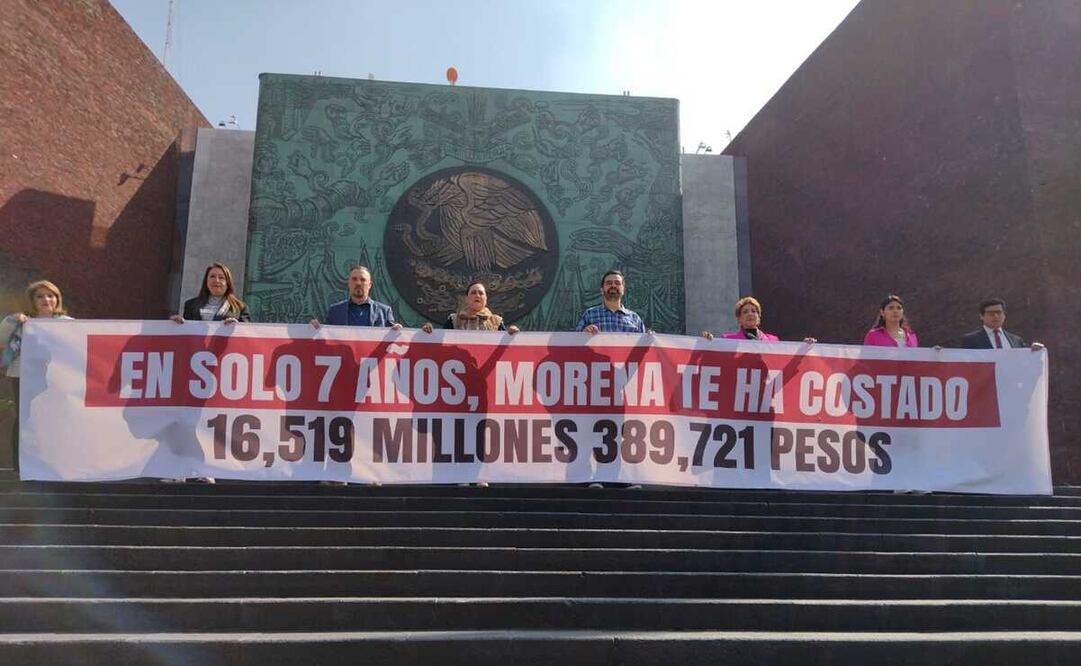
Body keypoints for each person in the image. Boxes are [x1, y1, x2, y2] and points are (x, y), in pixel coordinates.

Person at [0, 280, 73, 478]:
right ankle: (19, 466)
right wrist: (11, 320)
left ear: (57, 299)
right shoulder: (23, 322)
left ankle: (52, 463)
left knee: (53, 419)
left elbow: (82, 343)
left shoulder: (68, 324)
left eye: (50, 295)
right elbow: (1, 338)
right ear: (32, 301)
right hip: (23, 377)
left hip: (55, 380)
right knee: (25, 419)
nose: (46, 299)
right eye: (39, 296)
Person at [310, 265, 402, 330]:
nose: (358, 283)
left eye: (363, 280)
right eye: (354, 279)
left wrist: (398, 332)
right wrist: (314, 329)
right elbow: (325, 338)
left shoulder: (384, 312)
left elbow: (391, 344)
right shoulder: (335, 311)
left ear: (369, 285)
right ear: (349, 283)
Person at [700, 296, 815, 343]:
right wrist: (707, 343)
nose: (750, 314)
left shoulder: (773, 340)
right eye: (745, 312)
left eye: (754, 311)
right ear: (739, 319)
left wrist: (804, 349)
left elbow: (783, 367)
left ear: (759, 317)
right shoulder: (728, 340)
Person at [421, 282, 521, 334]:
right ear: (467, 299)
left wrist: (512, 334)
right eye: (473, 293)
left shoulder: (496, 322)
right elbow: (440, 343)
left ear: (485, 299)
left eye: (481, 293)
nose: (477, 295)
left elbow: (505, 349)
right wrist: (429, 332)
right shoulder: (454, 320)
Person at [171, 263, 250, 324]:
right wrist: (176, 324)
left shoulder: (240, 308)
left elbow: (246, 337)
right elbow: (186, 334)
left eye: (221, 277)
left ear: (228, 283)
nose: (216, 280)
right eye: (212, 276)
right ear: (206, 281)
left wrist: (237, 327)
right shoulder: (190, 305)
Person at [576, 270, 648, 334]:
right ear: (602, 290)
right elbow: (576, 342)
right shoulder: (589, 314)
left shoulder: (635, 318)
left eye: (617, 283)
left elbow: (643, 345)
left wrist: (650, 338)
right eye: (609, 283)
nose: (613, 285)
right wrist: (584, 332)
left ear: (623, 290)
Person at [960, 298, 1045, 351]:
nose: (996, 316)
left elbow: (1024, 360)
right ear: (981, 316)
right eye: (991, 313)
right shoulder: (970, 340)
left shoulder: (1016, 340)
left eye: (999, 313)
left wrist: (1035, 350)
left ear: (1004, 315)